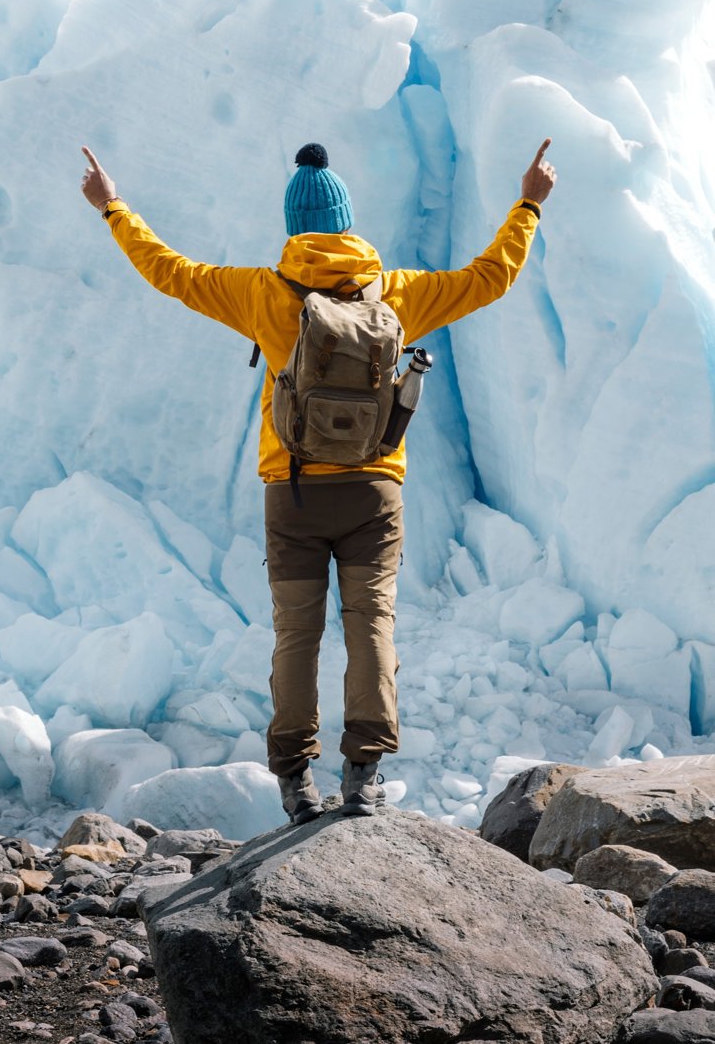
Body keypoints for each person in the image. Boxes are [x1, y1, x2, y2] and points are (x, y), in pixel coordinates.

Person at [81, 138, 556, 824]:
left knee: (296, 636)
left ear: (293, 225)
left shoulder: (259, 291)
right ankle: (362, 776)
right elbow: (489, 278)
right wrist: (529, 206)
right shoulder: (395, 292)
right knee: (372, 629)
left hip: (294, 495)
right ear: (347, 220)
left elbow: (170, 271)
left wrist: (113, 208)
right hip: (374, 495)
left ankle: (297, 785)